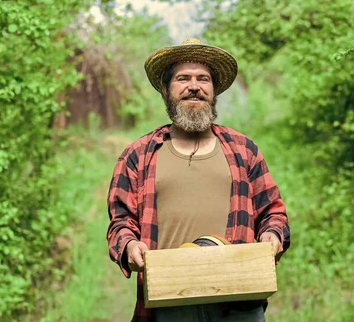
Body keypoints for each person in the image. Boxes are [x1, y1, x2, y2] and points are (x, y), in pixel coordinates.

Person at [107, 38, 290, 322]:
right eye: (183, 78)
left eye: (203, 78)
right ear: (167, 91)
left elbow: (273, 212)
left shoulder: (244, 149)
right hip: (169, 303)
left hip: (238, 301)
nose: (194, 86)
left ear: (214, 91)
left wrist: (272, 235)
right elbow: (120, 221)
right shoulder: (138, 155)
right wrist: (129, 246)